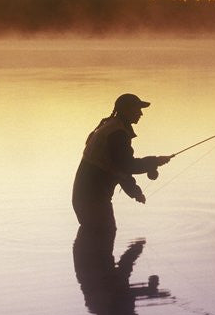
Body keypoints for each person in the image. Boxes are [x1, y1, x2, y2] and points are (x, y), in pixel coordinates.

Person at [72, 93, 172, 230]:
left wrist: (135, 193)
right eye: (138, 109)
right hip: (93, 200)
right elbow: (128, 166)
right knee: (105, 233)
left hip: (86, 198)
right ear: (126, 110)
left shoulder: (111, 126)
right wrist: (154, 161)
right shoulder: (117, 134)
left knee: (98, 239)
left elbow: (119, 170)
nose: (141, 113)